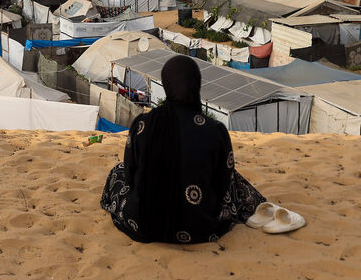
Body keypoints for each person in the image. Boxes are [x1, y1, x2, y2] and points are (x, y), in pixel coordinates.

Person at [101, 55, 271, 244]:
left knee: (117, 171)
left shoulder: (142, 124)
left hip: (143, 224)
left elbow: (130, 175)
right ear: (196, 85)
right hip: (201, 225)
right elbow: (221, 184)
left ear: (166, 86)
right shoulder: (214, 130)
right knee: (232, 178)